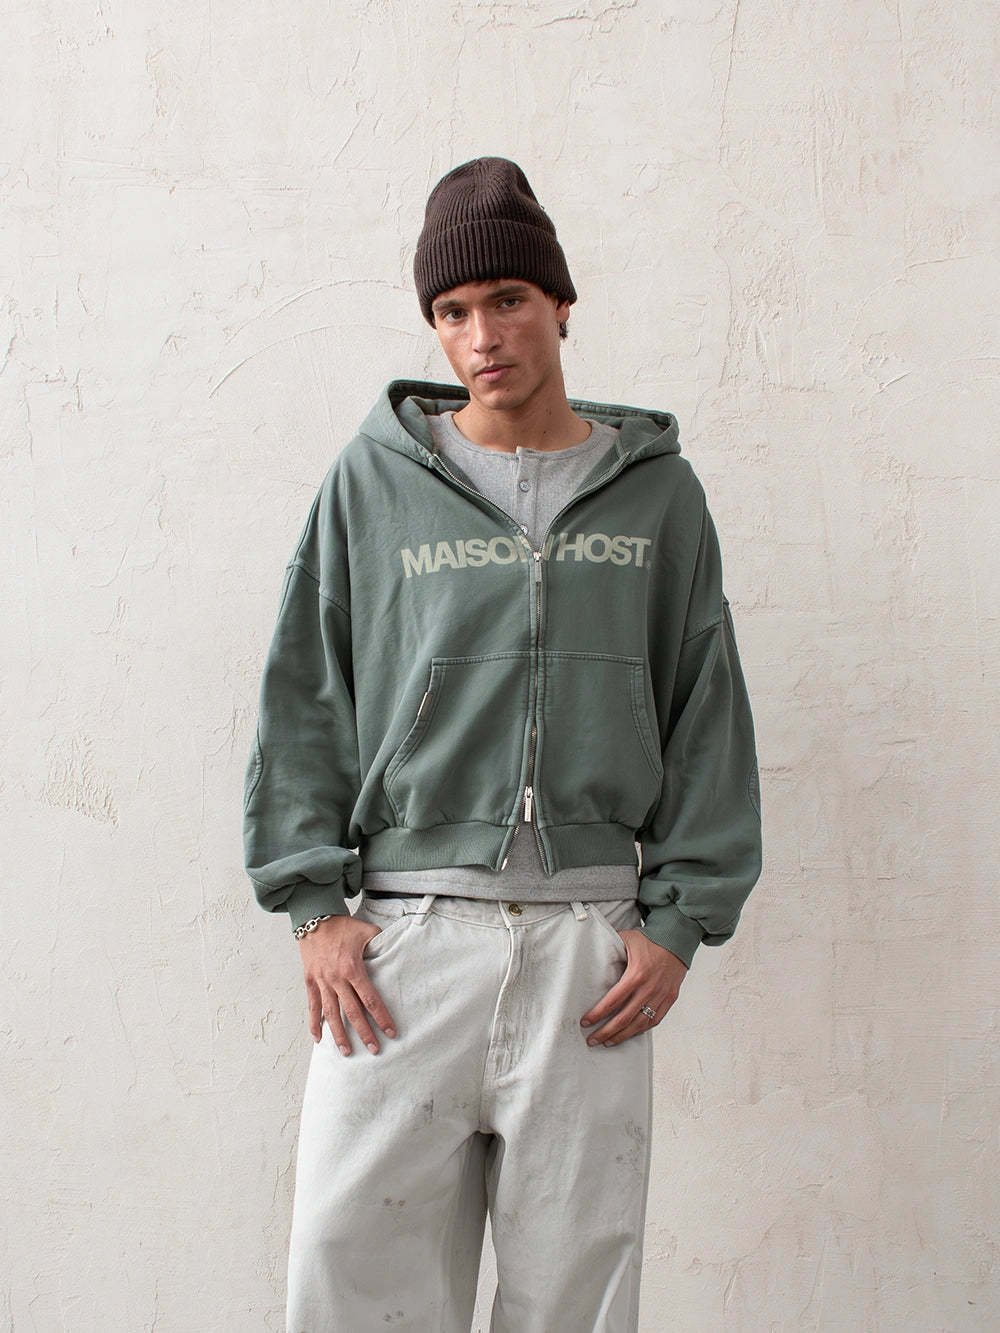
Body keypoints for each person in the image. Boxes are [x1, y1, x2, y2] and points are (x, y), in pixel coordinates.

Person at [243, 156, 763, 1333]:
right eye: (453, 310)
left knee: (573, 1296)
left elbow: (706, 708)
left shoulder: (658, 496)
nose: (483, 335)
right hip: (404, 947)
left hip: (592, 952)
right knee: (351, 1280)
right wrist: (314, 907)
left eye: (508, 300)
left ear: (560, 302)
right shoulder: (373, 484)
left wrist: (679, 920)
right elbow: (305, 693)